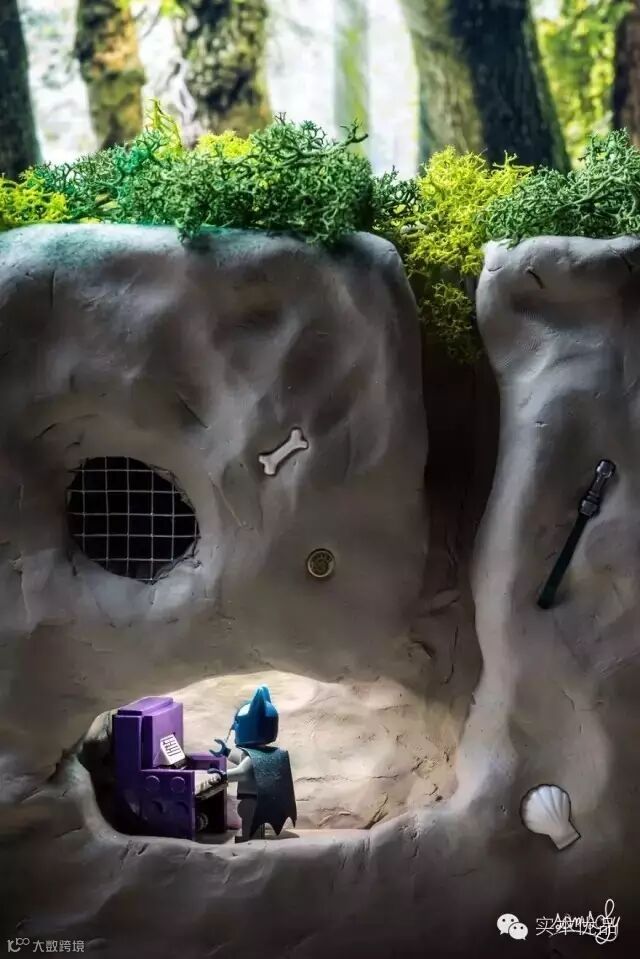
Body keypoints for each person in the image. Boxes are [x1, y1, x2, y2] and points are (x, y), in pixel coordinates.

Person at [210, 686, 297, 843]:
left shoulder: (256, 755)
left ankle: (248, 838)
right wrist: (226, 752)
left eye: (237, 723)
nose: (234, 727)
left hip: (251, 798)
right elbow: (243, 762)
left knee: (248, 816)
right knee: (251, 817)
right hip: (257, 798)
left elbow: (243, 772)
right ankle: (253, 835)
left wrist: (222, 776)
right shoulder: (265, 753)